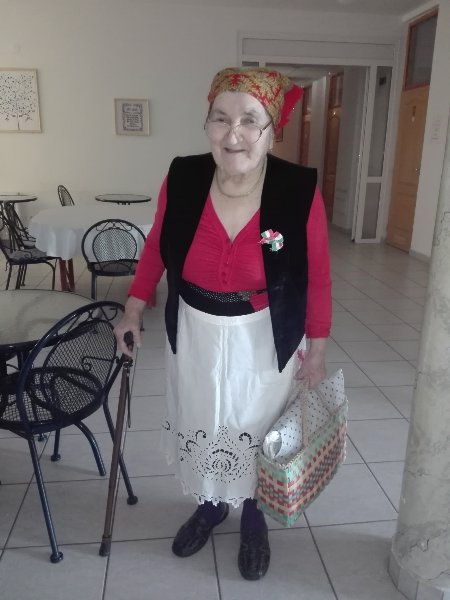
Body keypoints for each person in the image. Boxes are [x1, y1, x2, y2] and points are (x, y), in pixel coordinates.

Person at [114, 66, 331, 581]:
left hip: (264, 331)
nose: (234, 133)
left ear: (271, 129)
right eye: (220, 118)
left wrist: (317, 350)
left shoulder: (298, 188)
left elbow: (318, 273)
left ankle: (253, 516)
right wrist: (133, 307)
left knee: (256, 426)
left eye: (250, 120)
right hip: (196, 329)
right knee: (203, 418)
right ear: (207, 124)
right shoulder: (184, 176)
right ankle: (211, 505)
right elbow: (156, 247)